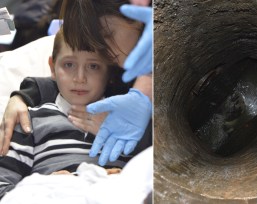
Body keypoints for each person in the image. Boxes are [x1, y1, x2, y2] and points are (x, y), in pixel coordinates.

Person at [0, 24, 147, 198]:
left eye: (93, 66)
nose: (79, 78)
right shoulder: (30, 121)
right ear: (52, 67)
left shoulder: (131, 123)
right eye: (68, 64)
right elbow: (3, 187)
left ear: (110, 74)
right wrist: (47, 187)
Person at [0, 0, 153, 166]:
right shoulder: (119, 66)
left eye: (108, 34)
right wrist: (24, 96)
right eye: (69, 65)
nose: (103, 49)